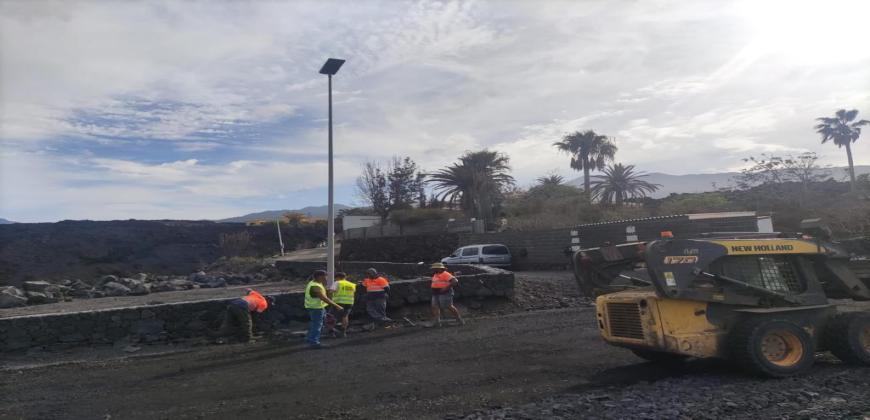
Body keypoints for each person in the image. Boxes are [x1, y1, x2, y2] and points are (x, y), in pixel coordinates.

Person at [305, 270, 343, 349]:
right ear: (319, 277)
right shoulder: (316, 286)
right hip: (316, 308)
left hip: (315, 307)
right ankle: (314, 343)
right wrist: (336, 306)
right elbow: (323, 298)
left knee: (316, 324)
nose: (326, 278)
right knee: (317, 325)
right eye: (325, 277)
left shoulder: (314, 283)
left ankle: (310, 339)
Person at [429, 262, 464, 327]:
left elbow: (455, 281)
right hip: (436, 292)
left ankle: (459, 320)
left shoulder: (445, 274)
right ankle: (437, 322)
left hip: (445, 292)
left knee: (448, 306)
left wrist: (445, 288)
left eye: (435, 268)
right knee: (434, 306)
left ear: (439, 268)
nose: (434, 269)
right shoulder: (436, 274)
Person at [330, 272, 357, 337]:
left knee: (334, 316)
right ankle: (343, 331)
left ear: (338, 277)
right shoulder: (352, 284)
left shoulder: (337, 282)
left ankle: (334, 331)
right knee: (345, 316)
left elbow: (331, 291)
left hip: (339, 302)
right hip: (349, 302)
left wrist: (331, 300)